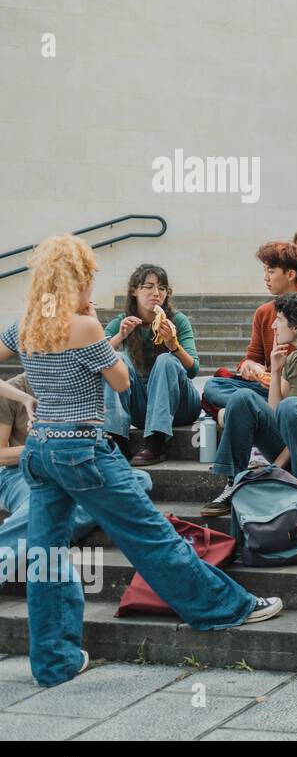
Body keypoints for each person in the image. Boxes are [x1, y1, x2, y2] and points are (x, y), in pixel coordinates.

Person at [0, 234, 281, 687]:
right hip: (83, 449)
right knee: (149, 536)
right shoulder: (85, 327)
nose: (92, 287)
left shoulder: (24, 324)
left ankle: (54, 662)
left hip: (40, 452)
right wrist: (95, 327)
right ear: (75, 280)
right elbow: (119, 382)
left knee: (46, 554)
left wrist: (24, 400)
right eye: (87, 278)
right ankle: (226, 607)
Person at [202, 291, 297, 519]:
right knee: (243, 397)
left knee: (292, 406)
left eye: (279, 319)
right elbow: (274, 412)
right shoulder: (292, 360)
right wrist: (276, 370)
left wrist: (275, 467)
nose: (273, 325)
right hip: (293, 441)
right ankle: (234, 481)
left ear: (296, 326)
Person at [0, 372, 154, 588]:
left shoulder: (74, 386)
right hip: (20, 472)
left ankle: (45, 529)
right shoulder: (12, 390)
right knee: (36, 508)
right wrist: (42, 445)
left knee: (140, 480)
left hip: (71, 467)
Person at [201, 242, 297, 414]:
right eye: (264, 270)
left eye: (271, 271)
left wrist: (283, 379)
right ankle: (257, 409)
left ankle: (247, 411)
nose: (266, 277)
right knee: (213, 386)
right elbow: (252, 357)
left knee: (227, 400)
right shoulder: (264, 312)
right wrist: (250, 366)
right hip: (268, 390)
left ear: (290, 274)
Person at [100, 264, 202, 466]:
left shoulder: (177, 321)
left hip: (181, 405)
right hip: (141, 406)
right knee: (116, 358)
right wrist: (120, 336)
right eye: (148, 287)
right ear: (134, 291)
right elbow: (95, 359)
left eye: (162, 288)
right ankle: (117, 439)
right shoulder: (122, 321)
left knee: (166, 360)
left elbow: (193, 370)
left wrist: (173, 345)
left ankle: (156, 442)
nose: (156, 293)